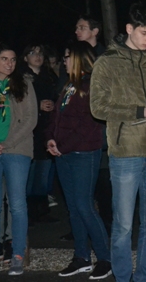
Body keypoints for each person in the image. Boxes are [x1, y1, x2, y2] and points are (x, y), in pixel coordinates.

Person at [90, 3, 146, 282]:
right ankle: (123, 277)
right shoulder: (107, 62)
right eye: (144, 33)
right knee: (123, 224)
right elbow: (98, 107)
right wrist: (142, 112)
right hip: (125, 152)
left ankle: (145, 277)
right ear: (129, 29)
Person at [45, 41, 112, 279]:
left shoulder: (92, 85)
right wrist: (50, 138)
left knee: (84, 206)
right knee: (73, 207)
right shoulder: (69, 86)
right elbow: (56, 116)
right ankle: (81, 257)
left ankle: (105, 258)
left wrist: (61, 146)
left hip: (84, 153)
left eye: (67, 56)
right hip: (63, 154)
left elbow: (88, 124)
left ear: (79, 59)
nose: (64, 61)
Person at [0, 43, 38, 277]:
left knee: (17, 204)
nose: (10, 63)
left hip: (17, 149)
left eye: (13, 59)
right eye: (4, 59)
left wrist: (6, 143)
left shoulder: (23, 83)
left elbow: (30, 119)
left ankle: (17, 255)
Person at [21, 44, 57, 225]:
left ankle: (42, 211)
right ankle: (28, 213)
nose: (37, 56)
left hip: (46, 129)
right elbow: (18, 104)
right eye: (32, 53)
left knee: (43, 173)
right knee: (30, 173)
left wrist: (53, 104)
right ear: (25, 58)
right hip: (29, 131)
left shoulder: (49, 77)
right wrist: (38, 106)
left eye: (40, 53)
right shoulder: (21, 78)